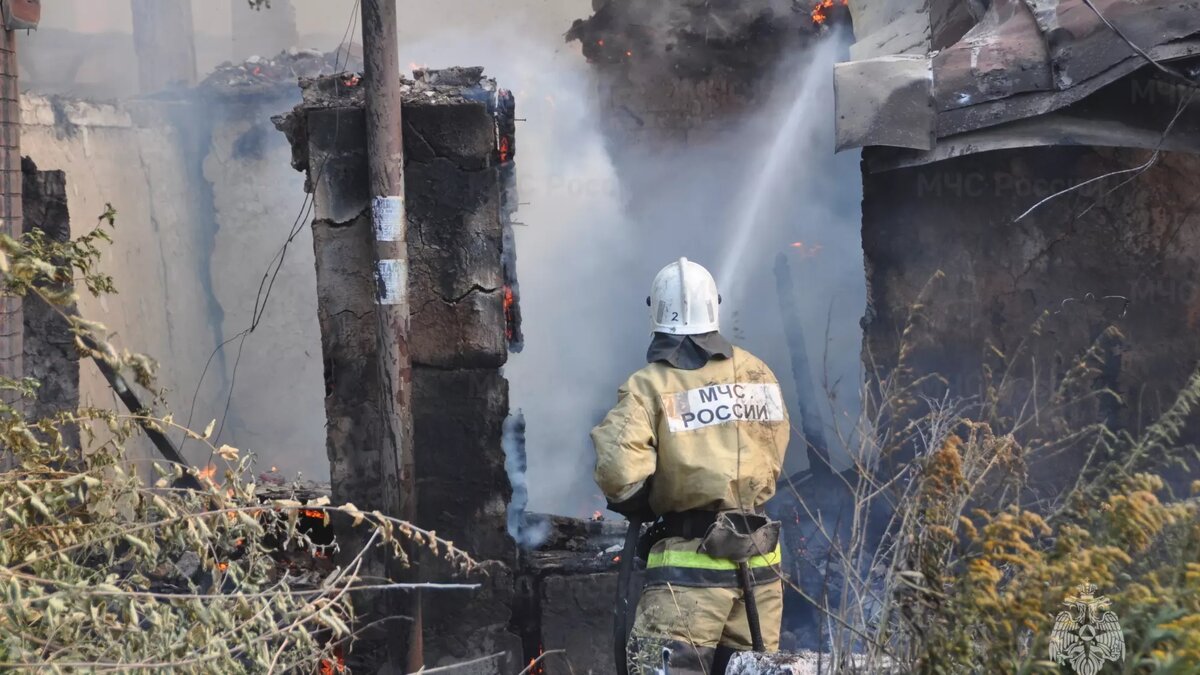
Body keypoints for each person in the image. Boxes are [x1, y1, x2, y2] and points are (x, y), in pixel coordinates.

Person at [592, 258, 791, 674]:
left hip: (688, 574)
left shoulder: (649, 384)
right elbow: (775, 447)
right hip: (760, 564)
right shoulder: (757, 373)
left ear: (656, 313)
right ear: (714, 306)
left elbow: (617, 472)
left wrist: (646, 502)